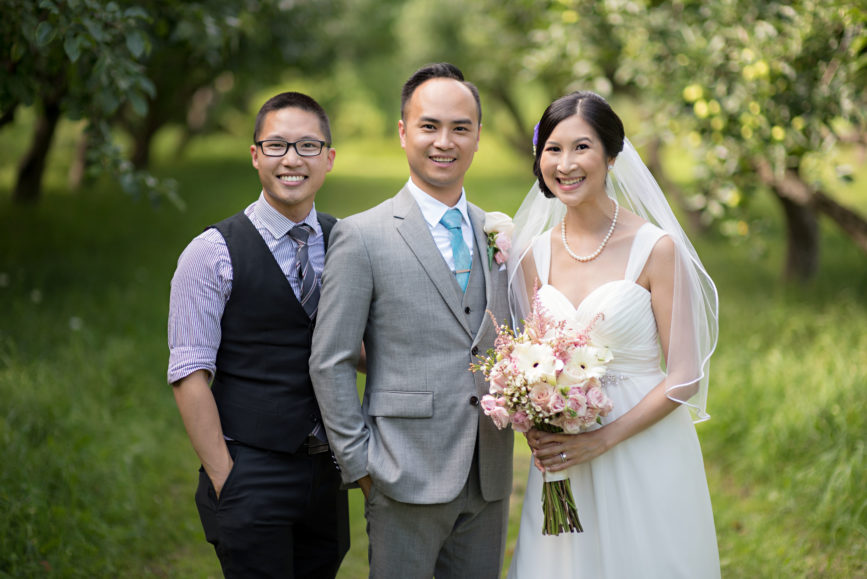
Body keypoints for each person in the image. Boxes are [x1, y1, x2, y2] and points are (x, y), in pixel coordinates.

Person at [309, 63, 514, 579]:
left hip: (488, 476)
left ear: (478, 137)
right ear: (403, 132)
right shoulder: (362, 236)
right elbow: (330, 359)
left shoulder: (501, 233)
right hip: (401, 471)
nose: (444, 142)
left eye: (460, 128)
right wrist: (361, 468)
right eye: (429, 126)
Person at [506, 91, 720, 578]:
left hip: (643, 446)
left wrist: (603, 439)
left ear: (611, 155)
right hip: (566, 457)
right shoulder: (531, 255)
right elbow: (528, 362)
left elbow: (685, 376)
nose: (565, 164)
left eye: (581, 147)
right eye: (552, 149)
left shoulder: (655, 249)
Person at [167, 91, 349, 578]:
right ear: (255, 156)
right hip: (251, 470)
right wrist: (228, 479)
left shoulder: (347, 243)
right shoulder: (211, 253)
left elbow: (364, 347)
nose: (292, 159)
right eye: (276, 145)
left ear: (329, 158)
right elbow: (189, 374)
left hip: (326, 474)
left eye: (308, 146)